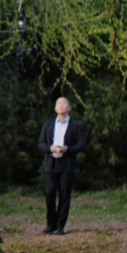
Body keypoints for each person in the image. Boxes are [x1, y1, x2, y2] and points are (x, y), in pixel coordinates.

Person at [37, 97, 85, 235]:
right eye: (58, 103)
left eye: (64, 103)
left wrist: (67, 149)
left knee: (64, 195)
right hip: (51, 163)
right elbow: (41, 143)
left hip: (67, 164)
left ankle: (60, 226)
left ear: (69, 108)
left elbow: (81, 145)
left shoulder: (76, 126)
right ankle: (50, 224)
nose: (61, 105)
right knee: (49, 193)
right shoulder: (48, 124)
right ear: (55, 108)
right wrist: (52, 148)